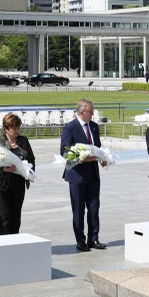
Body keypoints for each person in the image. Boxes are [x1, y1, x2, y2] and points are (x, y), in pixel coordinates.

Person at [61, 99, 106, 252]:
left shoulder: (94, 127)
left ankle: (93, 238)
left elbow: (97, 147)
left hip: (93, 174)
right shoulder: (70, 127)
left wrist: (102, 158)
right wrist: (81, 158)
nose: (92, 114)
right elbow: (65, 151)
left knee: (94, 208)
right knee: (79, 210)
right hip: (77, 175)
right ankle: (80, 241)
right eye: (91, 112)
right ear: (82, 112)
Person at [0, 113, 35, 235]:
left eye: (18, 127)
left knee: (15, 218)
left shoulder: (23, 141)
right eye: (14, 128)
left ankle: (15, 242)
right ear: (6, 129)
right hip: (0, 184)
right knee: (5, 218)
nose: (17, 130)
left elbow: (31, 159)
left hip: (18, 183)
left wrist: (29, 171)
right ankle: (5, 243)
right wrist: (4, 169)